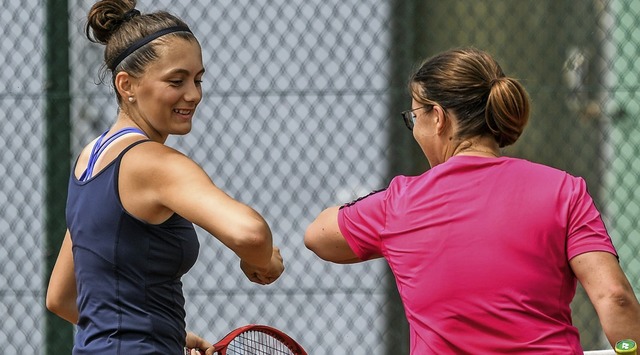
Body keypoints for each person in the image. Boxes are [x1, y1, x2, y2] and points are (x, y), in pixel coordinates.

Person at [304, 47, 640, 353]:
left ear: (437, 117)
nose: (415, 128)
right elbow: (615, 297)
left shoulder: (398, 204)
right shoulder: (564, 189)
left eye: (414, 118)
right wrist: (630, 349)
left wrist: (387, 217)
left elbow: (317, 236)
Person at [45, 1, 284, 354]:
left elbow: (62, 297)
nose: (193, 94)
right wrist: (260, 260)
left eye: (198, 79)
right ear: (126, 84)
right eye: (176, 81)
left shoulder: (89, 159)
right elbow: (250, 233)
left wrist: (163, 335)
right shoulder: (153, 163)